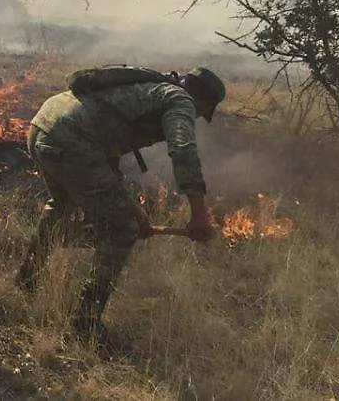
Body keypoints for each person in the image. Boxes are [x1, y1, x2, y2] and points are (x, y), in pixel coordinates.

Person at [14, 66, 226, 345]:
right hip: (72, 139)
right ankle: (85, 322)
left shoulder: (149, 87)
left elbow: (106, 158)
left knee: (62, 205)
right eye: (201, 113)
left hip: (44, 125)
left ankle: (25, 283)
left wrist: (135, 210)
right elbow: (183, 149)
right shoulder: (179, 100)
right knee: (121, 232)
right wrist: (199, 214)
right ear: (202, 101)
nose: (196, 117)